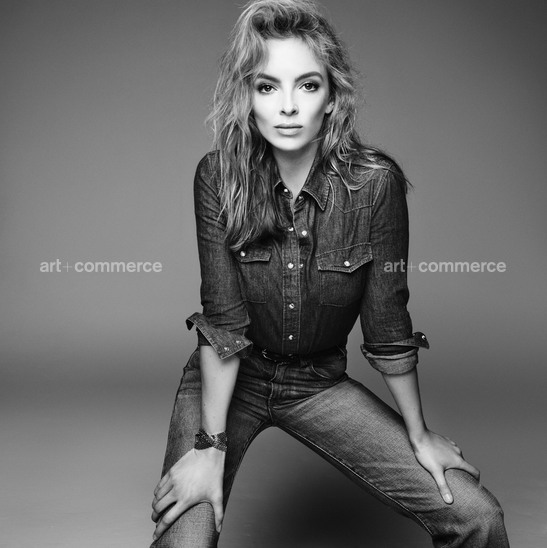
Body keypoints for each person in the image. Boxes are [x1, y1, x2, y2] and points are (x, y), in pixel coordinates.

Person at [151, 0, 509, 546]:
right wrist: (209, 446)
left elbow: (387, 322)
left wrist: (418, 434)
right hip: (229, 382)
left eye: (307, 85)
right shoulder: (217, 178)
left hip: (316, 383)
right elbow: (223, 322)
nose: (288, 106)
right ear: (247, 97)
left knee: (478, 515)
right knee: (186, 538)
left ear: (332, 96)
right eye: (267, 86)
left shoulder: (375, 185)